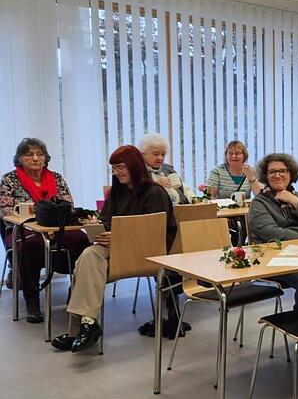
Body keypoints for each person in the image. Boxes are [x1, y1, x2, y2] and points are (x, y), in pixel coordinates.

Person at [52, 145, 177, 352]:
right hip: (118, 250)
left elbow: (157, 234)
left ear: (134, 166)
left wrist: (119, 237)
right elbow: (108, 223)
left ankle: (82, 328)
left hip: (147, 253)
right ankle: (87, 324)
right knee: (88, 257)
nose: (116, 173)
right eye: (114, 169)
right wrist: (97, 227)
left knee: (87, 260)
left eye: (120, 167)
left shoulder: (155, 193)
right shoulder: (116, 194)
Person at [0, 137, 90, 323]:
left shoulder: (57, 178)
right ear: (20, 158)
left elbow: (68, 205)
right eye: (29, 154)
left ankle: (76, 292)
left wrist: (53, 224)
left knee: (81, 241)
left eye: (39, 154)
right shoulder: (10, 179)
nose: (35, 158)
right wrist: (39, 221)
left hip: (57, 227)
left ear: (45, 158)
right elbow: (6, 211)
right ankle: (31, 299)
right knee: (30, 245)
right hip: (24, 229)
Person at [247, 153, 298, 337]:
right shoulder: (259, 203)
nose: (277, 175)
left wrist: (294, 201)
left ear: (291, 174)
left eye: (282, 171)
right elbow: (272, 233)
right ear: (265, 176)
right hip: (275, 257)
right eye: (272, 172)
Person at [139, 133, 187, 204]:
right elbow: (135, 199)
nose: (160, 158)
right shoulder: (138, 172)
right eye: (156, 154)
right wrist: (155, 185)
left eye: (163, 154)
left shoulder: (169, 170)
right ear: (143, 154)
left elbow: (183, 193)